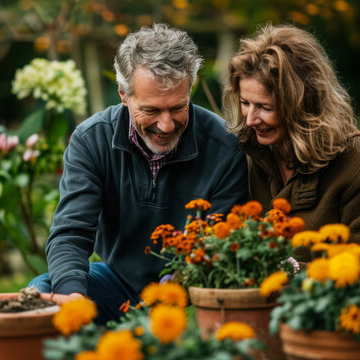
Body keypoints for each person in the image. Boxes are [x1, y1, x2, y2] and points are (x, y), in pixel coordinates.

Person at [222, 23, 360, 359]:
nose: (251, 119)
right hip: (282, 336)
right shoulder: (251, 153)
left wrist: (294, 270)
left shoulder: (357, 160)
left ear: (302, 105)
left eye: (265, 107)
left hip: (356, 339)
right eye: (245, 103)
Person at [29, 23, 248, 324]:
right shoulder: (92, 140)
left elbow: (221, 249)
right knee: (41, 292)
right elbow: (71, 233)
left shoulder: (225, 150)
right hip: (117, 283)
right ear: (123, 95)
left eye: (177, 108)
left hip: (191, 295)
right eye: (152, 110)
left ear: (190, 89)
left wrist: (176, 293)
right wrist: (73, 298)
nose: (167, 125)